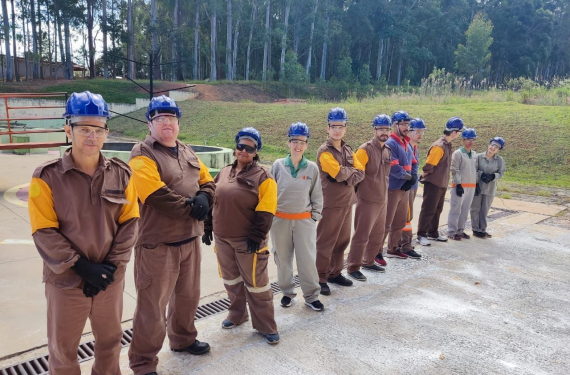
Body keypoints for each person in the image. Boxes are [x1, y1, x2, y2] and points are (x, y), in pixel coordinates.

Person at [28, 91, 139, 375]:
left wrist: (110, 268)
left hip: (109, 280)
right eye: (84, 129)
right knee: (63, 350)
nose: (92, 136)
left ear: (106, 132)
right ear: (69, 130)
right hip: (66, 281)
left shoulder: (122, 174)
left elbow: (130, 224)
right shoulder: (46, 177)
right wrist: (82, 267)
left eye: (98, 129)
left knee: (110, 342)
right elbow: (43, 230)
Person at [128, 96, 215, 375]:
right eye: (160, 118)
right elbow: (154, 194)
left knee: (188, 297)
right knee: (152, 308)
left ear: (178, 123)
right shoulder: (142, 153)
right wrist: (193, 209)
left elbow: (208, 180)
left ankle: (183, 339)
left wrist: (205, 197)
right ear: (150, 123)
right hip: (158, 245)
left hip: (189, 240)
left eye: (172, 118)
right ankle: (143, 362)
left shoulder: (187, 151)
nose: (167, 123)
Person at [203, 127, 280, 344]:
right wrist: (207, 227)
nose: (243, 150)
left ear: (256, 151)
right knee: (231, 279)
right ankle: (237, 314)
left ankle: (266, 325)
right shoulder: (225, 172)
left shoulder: (264, 176)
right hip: (223, 238)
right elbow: (213, 199)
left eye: (250, 147)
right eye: (240, 146)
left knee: (257, 284)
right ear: (235, 147)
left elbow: (267, 209)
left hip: (248, 241)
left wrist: (257, 236)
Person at [270, 122, 324, 311]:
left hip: (304, 221)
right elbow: (269, 193)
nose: (298, 146)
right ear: (288, 142)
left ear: (307, 144)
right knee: (282, 259)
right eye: (294, 141)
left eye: (302, 142)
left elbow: (317, 195)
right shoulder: (277, 166)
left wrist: (314, 217)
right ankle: (287, 293)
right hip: (280, 221)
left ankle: (311, 296)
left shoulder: (312, 168)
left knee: (307, 259)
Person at [316, 107, 365, 295]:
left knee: (342, 241)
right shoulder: (324, 151)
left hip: (347, 202)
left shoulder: (347, 149)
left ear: (346, 128)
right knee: (325, 242)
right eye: (333, 126)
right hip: (331, 203)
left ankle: (334, 273)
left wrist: (346, 175)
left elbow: (360, 172)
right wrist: (346, 173)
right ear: (327, 128)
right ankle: (319, 277)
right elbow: (336, 172)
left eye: (341, 126)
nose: (337, 130)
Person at [345, 114, 392, 281]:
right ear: (374, 130)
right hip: (367, 199)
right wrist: (357, 195)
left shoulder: (387, 150)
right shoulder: (365, 149)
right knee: (362, 235)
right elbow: (356, 173)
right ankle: (353, 266)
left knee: (378, 234)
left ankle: (369, 261)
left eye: (387, 129)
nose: (384, 132)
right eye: (381, 129)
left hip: (382, 199)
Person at [416, 117, 464, 246]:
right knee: (428, 209)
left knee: (437, 209)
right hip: (433, 183)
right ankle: (421, 234)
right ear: (453, 132)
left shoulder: (447, 144)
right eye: (459, 132)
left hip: (441, 183)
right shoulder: (439, 146)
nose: (459, 134)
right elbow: (428, 166)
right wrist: (425, 176)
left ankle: (432, 232)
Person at [381, 110, 421, 261]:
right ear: (394, 125)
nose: (406, 127)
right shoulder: (391, 143)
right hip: (393, 188)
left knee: (400, 221)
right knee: (387, 222)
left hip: (405, 188)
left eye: (408, 124)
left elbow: (414, 163)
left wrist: (413, 176)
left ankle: (393, 248)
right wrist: (409, 178)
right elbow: (394, 167)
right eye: (403, 124)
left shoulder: (406, 144)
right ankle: (377, 252)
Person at [399, 118, 426, 255]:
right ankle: (405, 245)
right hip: (406, 186)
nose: (420, 134)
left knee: (407, 215)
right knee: (406, 216)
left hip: (413, 186)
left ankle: (401, 243)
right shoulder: (406, 147)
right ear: (410, 131)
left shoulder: (414, 147)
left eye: (422, 132)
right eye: (417, 131)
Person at [471, 137, 506, 238]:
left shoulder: (499, 160)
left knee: (485, 209)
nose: (493, 148)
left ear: (498, 149)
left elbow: (501, 172)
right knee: (475, 208)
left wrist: (493, 176)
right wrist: (481, 174)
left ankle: (482, 229)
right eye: (492, 145)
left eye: (496, 147)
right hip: (478, 186)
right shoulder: (478, 157)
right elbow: (474, 169)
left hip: (490, 188)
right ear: (488, 145)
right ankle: (475, 229)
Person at [447, 128, 478, 241]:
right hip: (460, 186)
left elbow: (475, 170)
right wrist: (458, 184)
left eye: (473, 139)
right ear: (463, 140)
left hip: (471, 187)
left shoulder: (474, 155)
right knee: (455, 209)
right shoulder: (458, 153)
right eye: (468, 139)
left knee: (465, 210)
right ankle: (452, 231)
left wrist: (477, 184)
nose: (471, 142)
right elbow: (454, 169)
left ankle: (460, 230)